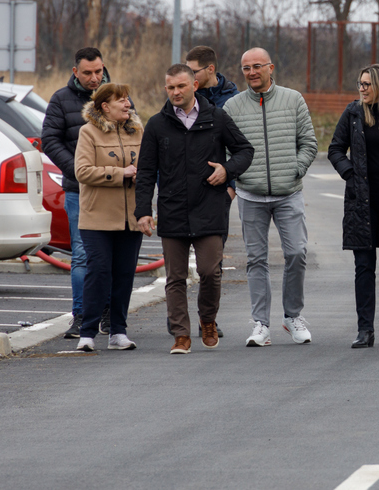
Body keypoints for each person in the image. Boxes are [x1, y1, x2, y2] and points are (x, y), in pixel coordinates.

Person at [135, 65, 254, 354]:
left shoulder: (216, 118)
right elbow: (146, 171)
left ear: (194, 86)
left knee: (210, 272)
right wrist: (143, 211)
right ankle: (181, 334)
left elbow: (245, 150)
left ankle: (208, 320)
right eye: (170, 87)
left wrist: (227, 171)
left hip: (209, 207)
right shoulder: (157, 125)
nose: (176, 92)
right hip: (173, 209)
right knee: (175, 277)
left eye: (181, 86)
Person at [224, 47, 318, 347]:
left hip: (288, 193)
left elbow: (309, 143)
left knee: (297, 253)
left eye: (257, 66)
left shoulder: (293, 99)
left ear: (270, 68)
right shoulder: (232, 106)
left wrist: (295, 169)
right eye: (246, 68)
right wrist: (237, 176)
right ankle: (261, 324)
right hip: (250, 195)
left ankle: (292, 316)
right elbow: (225, 150)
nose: (251, 72)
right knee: (256, 260)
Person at [328, 64, 379, 348]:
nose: (361, 89)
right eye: (359, 84)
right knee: (363, 266)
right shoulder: (353, 113)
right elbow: (335, 149)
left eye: (366, 84)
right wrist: (350, 175)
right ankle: (365, 330)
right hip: (361, 202)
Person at [42, 47, 113, 339]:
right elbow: (50, 139)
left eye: (98, 71)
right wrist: (77, 170)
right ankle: (81, 316)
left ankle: (109, 314)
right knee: (82, 255)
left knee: (111, 254)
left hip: (112, 190)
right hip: (78, 190)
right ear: (75, 72)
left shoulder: (116, 96)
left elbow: (132, 137)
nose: (94, 77)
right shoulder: (61, 99)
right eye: (87, 73)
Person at [72, 83, 144, 352]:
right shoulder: (88, 132)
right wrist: (120, 173)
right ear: (105, 106)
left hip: (130, 218)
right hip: (97, 218)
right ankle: (87, 333)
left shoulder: (138, 131)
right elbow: (82, 171)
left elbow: (149, 166)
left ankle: (118, 332)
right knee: (99, 272)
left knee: (124, 275)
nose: (127, 104)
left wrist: (142, 175)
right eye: (121, 100)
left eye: (127, 99)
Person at [184, 44, 240, 339]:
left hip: (218, 192)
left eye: (193, 71)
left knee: (211, 265)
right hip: (184, 193)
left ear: (210, 69)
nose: (188, 77)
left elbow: (242, 147)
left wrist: (231, 186)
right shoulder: (183, 96)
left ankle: (208, 319)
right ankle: (178, 320)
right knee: (179, 264)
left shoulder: (234, 100)